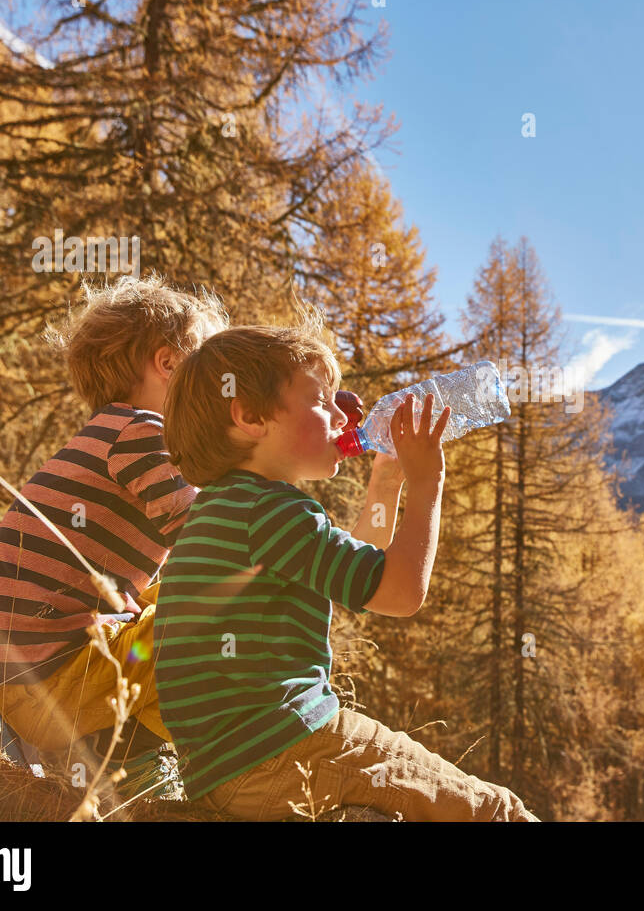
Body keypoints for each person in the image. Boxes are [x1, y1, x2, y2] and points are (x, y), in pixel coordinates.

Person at [155, 317, 539, 821]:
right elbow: (399, 593)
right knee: (495, 810)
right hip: (288, 749)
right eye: (321, 401)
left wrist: (387, 481)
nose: (343, 415)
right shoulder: (274, 511)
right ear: (250, 416)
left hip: (224, 773)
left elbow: (347, 571)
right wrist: (428, 482)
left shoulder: (226, 510)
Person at [0, 276, 228, 766]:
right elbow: (212, 539)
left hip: (21, 684)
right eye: (212, 371)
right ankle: (142, 766)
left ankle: (118, 755)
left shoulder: (111, 431)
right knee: (230, 599)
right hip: (56, 688)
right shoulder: (145, 434)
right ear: (168, 363)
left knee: (173, 592)